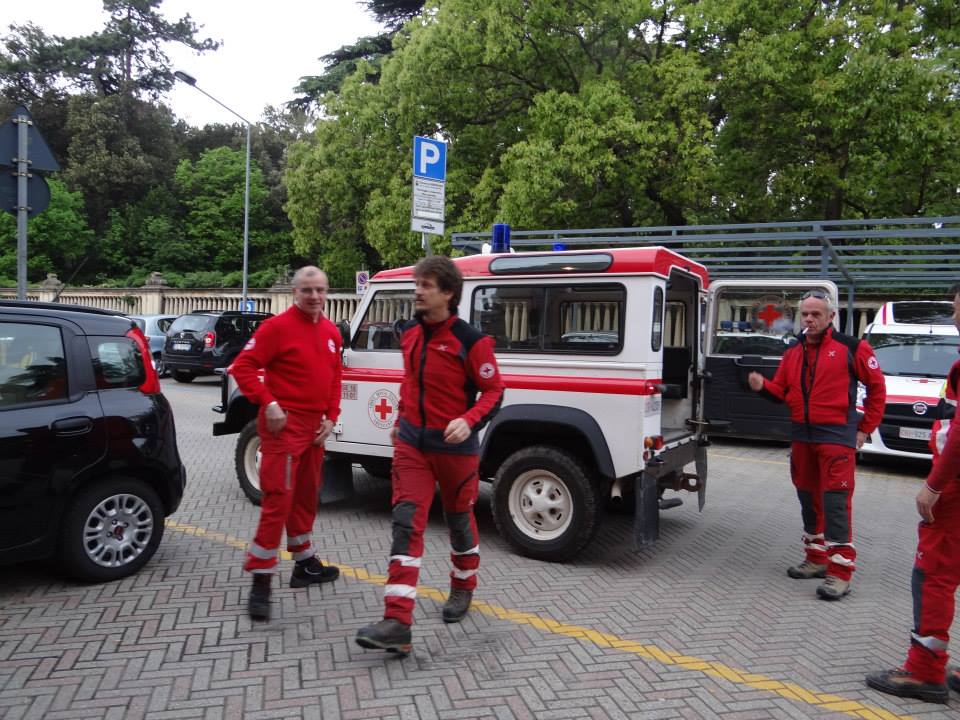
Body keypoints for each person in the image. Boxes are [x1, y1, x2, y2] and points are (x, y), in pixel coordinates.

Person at [355, 255, 505, 655]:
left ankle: (462, 587)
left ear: (448, 293)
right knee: (406, 524)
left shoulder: (472, 341)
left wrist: (469, 420)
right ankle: (397, 622)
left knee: (459, 521)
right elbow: (411, 384)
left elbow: (495, 392)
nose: (417, 291)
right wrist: (401, 420)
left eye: (426, 285)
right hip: (411, 445)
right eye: (417, 284)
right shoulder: (409, 334)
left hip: (455, 451)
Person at [747, 289, 885, 600]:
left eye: (816, 314)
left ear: (831, 316)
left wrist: (865, 429)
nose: (809, 319)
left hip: (837, 437)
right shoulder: (793, 351)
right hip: (802, 437)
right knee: (809, 499)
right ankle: (816, 559)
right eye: (805, 314)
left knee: (836, 504)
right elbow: (781, 391)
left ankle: (840, 573)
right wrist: (761, 386)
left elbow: (878, 389)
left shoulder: (853, 348)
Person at [229, 266, 343, 622]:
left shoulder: (330, 331)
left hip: (314, 429)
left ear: (327, 292)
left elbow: (335, 375)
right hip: (284, 426)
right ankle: (261, 582)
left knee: (307, 496)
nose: (314, 296)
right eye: (307, 290)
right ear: (295, 292)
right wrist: (269, 402)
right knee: (278, 501)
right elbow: (243, 367)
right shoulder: (275, 329)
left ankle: (304, 564)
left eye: (320, 290)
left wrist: (331, 416)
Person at [865, 284, 960, 704]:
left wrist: (935, 484)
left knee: (932, 574)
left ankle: (924, 671)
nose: (955, 318)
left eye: (958, 308)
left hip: (954, 490)